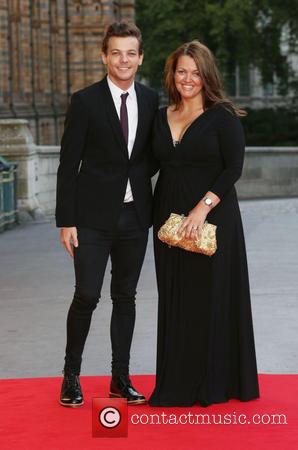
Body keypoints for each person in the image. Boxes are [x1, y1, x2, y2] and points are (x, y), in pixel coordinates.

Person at [148, 40, 260, 407]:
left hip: (212, 220)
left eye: (196, 72)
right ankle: (177, 383)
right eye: (182, 71)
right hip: (167, 223)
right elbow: (147, 164)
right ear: (172, 74)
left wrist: (202, 208)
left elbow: (234, 169)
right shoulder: (160, 115)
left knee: (210, 299)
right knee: (176, 300)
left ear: (206, 75)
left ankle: (214, 384)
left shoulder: (223, 116)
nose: (188, 79)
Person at [56, 21, 158, 407]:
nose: (124, 59)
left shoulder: (150, 100)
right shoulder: (84, 101)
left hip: (135, 218)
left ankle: (120, 377)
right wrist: (66, 220)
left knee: (126, 297)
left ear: (140, 57)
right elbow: (69, 165)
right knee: (86, 295)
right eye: (116, 52)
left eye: (130, 52)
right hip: (91, 220)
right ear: (104, 56)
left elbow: (151, 156)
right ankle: (71, 376)